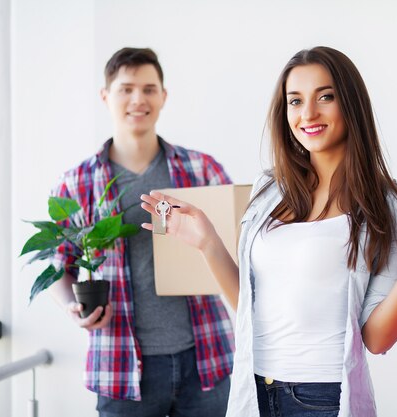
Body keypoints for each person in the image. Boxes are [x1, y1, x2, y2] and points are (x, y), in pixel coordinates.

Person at [140, 46, 397, 417]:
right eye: (295, 101)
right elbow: (250, 313)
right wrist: (208, 242)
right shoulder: (269, 190)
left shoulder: (390, 204)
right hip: (253, 393)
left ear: (350, 102)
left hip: (323, 399)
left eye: (325, 97)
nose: (308, 114)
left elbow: (378, 340)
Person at [49, 47, 234, 417]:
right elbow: (59, 266)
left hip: (206, 359)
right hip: (120, 366)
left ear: (163, 97)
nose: (138, 99)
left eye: (149, 89)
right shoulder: (76, 183)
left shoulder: (202, 169)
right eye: (126, 89)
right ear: (105, 96)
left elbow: (235, 244)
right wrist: (73, 305)